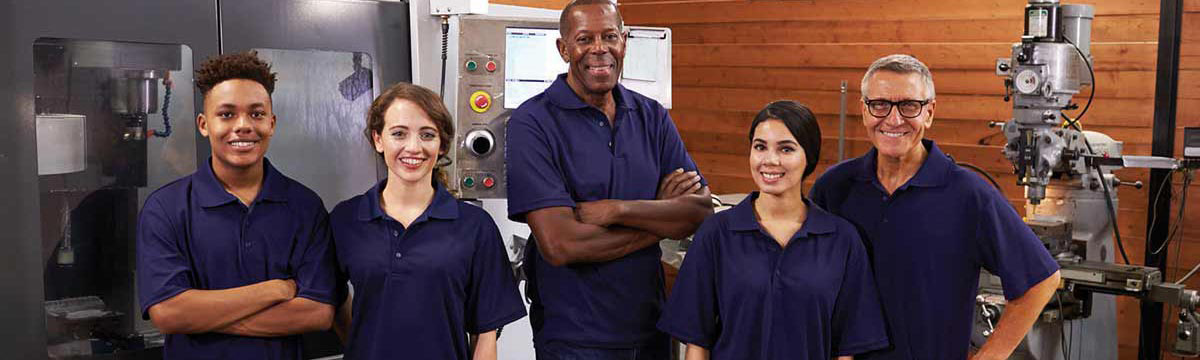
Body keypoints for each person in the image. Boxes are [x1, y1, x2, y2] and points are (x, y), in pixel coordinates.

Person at [809, 54, 1062, 360]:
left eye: (909, 105)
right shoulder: (833, 188)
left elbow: (1041, 279)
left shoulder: (970, 195)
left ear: (929, 112)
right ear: (864, 111)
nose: (893, 119)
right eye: (879, 105)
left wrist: (989, 356)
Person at [505, 0, 714, 358]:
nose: (599, 49)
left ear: (625, 42)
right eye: (585, 38)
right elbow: (561, 245)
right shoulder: (532, 123)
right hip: (574, 337)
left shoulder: (651, 117)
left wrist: (617, 210)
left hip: (651, 329)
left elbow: (699, 210)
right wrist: (661, 216)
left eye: (610, 36)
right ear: (563, 49)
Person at [137, 52, 337, 359]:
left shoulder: (305, 207)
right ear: (204, 125)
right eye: (227, 114)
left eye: (256, 114)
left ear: (272, 123)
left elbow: (317, 313)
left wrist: (202, 317)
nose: (243, 126)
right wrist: (275, 290)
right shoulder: (165, 209)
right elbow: (168, 314)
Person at [658, 101, 889, 360]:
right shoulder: (716, 234)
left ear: (808, 157)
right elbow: (697, 343)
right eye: (760, 147)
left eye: (786, 149)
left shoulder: (842, 240)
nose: (770, 160)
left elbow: (847, 349)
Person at [330, 83, 526, 360]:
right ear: (378, 139)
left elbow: (485, 333)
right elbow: (332, 299)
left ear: (442, 144)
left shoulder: (475, 226)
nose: (414, 147)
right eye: (399, 134)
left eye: (427, 135)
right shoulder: (346, 219)